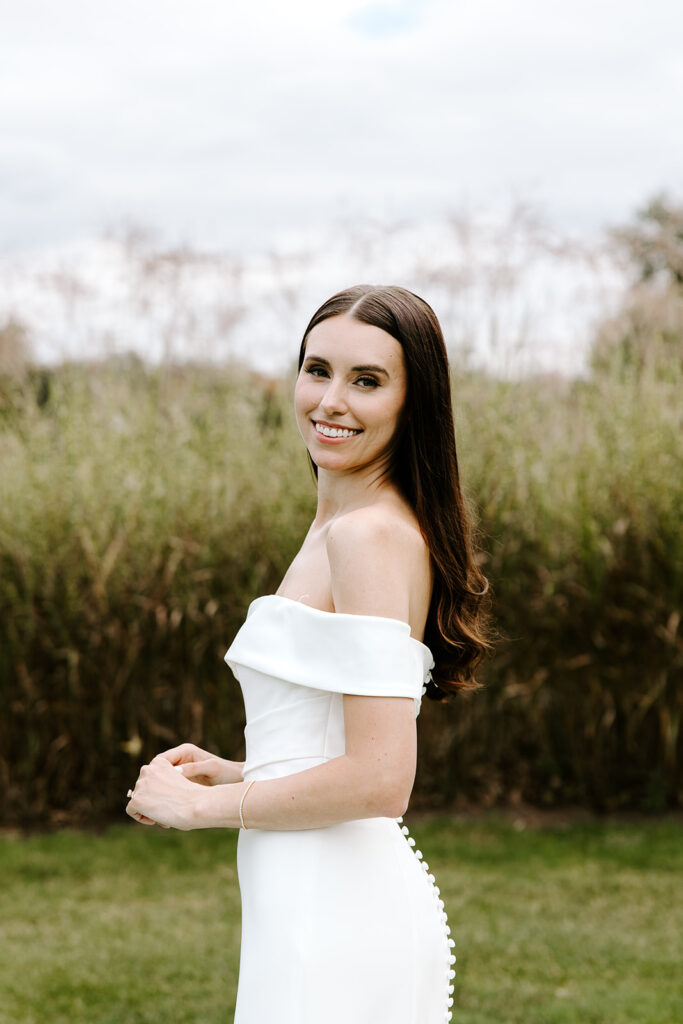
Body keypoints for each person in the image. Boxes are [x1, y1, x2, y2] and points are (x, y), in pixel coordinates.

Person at [126, 284, 491, 1024]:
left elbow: (382, 778)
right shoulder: (339, 523)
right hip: (298, 892)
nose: (330, 400)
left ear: (411, 402)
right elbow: (335, 741)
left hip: (338, 907)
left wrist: (204, 807)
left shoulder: (367, 537)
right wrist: (237, 770)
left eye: (366, 381)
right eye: (316, 369)